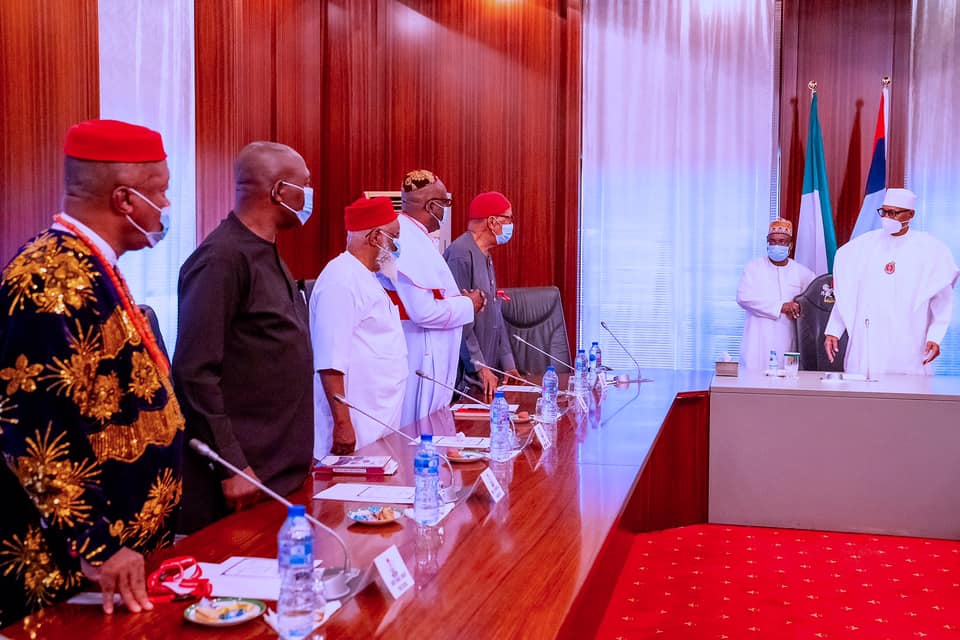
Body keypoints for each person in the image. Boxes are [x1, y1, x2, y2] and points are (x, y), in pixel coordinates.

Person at [0, 119, 183, 622]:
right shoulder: (49, 279)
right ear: (124, 200)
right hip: (70, 569)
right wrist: (95, 542)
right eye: (160, 192)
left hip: (121, 561)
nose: (166, 207)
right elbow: (34, 430)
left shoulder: (91, 265)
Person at [173, 142, 314, 534]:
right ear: (279, 192)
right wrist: (230, 463)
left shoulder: (267, 252)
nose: (309, 196)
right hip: (240, 481)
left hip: (280, 472)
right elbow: (194, 372)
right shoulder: (221, 259)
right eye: (305, 186)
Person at [381, 170, 484, 427]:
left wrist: (457, 301)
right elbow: (423, 312)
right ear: (432, 206)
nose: (446, 210)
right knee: (415, 435)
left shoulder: (416, 236)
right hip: (416, 350)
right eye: (445, 203)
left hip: (424, 348)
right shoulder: (405, 238)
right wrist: (468, 304)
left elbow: (431, 295)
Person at [824, 188, 958, 375]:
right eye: (884, 211)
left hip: (909, 342)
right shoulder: (860, 247)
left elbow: (942, 300)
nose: (886, 217)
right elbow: (847, 293)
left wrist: (935, 336)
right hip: (869, 343)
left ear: (910, 214)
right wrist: (833, 330)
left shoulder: (931, 250)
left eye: (893, 213)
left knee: (907, 397)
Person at [311, 197, 407, 456]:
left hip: (377, 419)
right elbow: (330, 361)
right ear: (376, 237)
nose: (397, 247)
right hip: (355, 427)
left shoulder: (368, 277)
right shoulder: (340, 279)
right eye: (394, 237)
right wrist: (343, 423)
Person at [444, 191, 520, 400]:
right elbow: (458, 319)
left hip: (487, 375)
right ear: (493, 221)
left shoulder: (485, 254)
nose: (511, 225)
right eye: (509, 218)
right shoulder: (461, 254)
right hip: (465, 379)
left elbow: (495, 314)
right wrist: (479, 366)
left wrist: (508, 364)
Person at [736, 218, 815, 370]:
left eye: (781, 241)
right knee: (755, 385)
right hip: (758, 341)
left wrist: (799, 309)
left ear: (790, 245)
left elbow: (812, 303)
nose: (776, 245)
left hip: (788, 339)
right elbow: (743, 297)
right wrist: (781, 307)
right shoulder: (754, 268)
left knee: (787, 384)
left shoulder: (803, 273)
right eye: (772, 241)